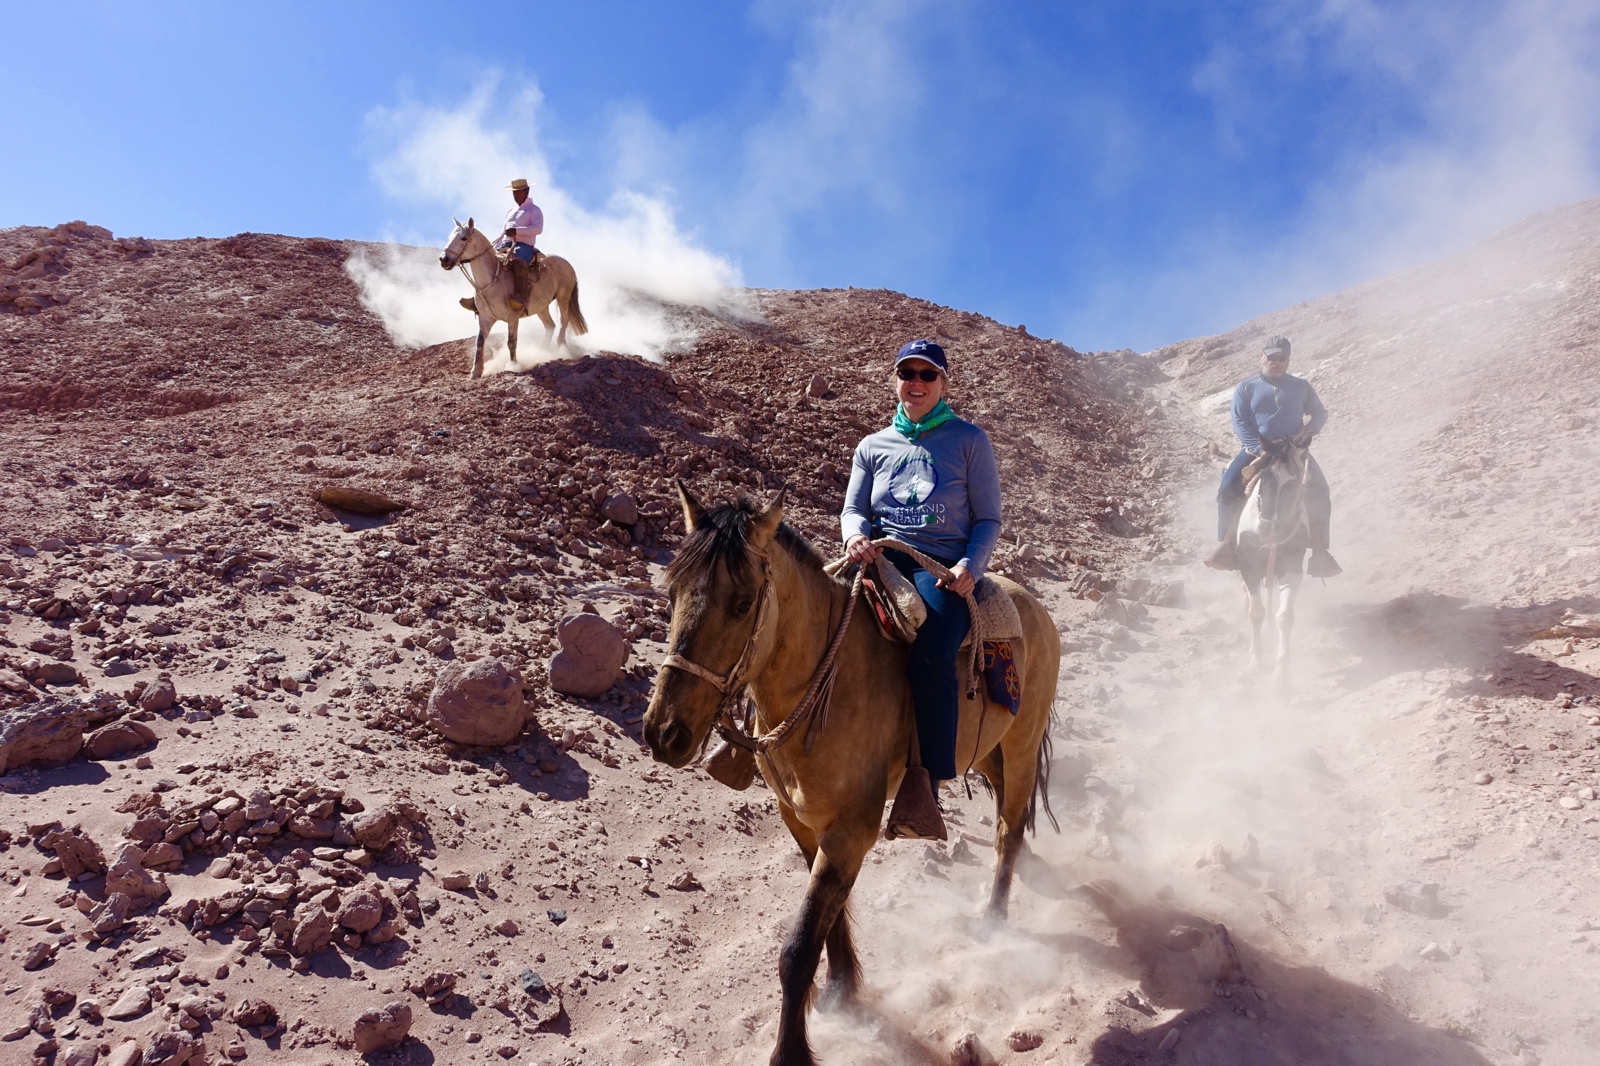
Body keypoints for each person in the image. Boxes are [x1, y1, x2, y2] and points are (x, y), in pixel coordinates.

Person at [841, 339, 1002, 840]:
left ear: (943, 383)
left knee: (932, 653)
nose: (915, 381)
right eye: (906, 372)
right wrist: (854, 536)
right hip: (881, 558)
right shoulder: (872, 445)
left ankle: (925, 784)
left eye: (926, 374)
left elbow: (988, 519)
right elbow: (853, 508)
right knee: (793, 611)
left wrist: (969, 567)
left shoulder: (970, 440)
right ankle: (753, 747)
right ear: (895, 380)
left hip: (938, 569)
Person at [1206, 334, 1341, 578]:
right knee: (1227, 486)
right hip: (1258, 449)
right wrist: (1258, 448)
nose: (1276, 362)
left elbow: (1320, 413)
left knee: (1320, 491)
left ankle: (1320, 552)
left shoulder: (1301, 387)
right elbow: (1239, 422)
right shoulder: (1246, 387)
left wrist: (1310, 430)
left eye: (1282, 358)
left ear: (1288, 360)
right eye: (1272, 357)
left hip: (1294, 452)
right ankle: (1227, 544)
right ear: (1262, 356)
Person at [498, 177, 544, 314]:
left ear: (526, 191)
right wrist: (496, 245)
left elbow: (538, 229)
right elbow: (504, 230)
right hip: (506, 243)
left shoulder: (534, 210)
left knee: (518, 262)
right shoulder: (511, 211)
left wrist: (517, 231)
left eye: (518, 192)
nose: (515, 195)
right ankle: (481, 299)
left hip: (523, 244)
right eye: (514, 192)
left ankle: (521, 298)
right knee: (487, 262)